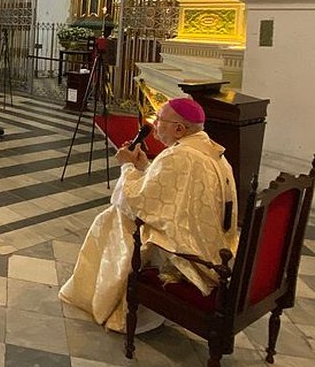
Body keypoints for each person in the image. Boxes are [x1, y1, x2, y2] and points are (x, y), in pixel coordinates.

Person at [59, 98, 237, 334]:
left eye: (159, 118)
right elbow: (170, 193)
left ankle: (108, 298)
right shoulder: (210, 150)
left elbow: (130, 201)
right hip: (216, 248)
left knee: (112, 220)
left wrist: (127, 166)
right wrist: (144, 167)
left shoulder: (179, 156)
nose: (153, 123)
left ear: (179, 129)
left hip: (190, 254)